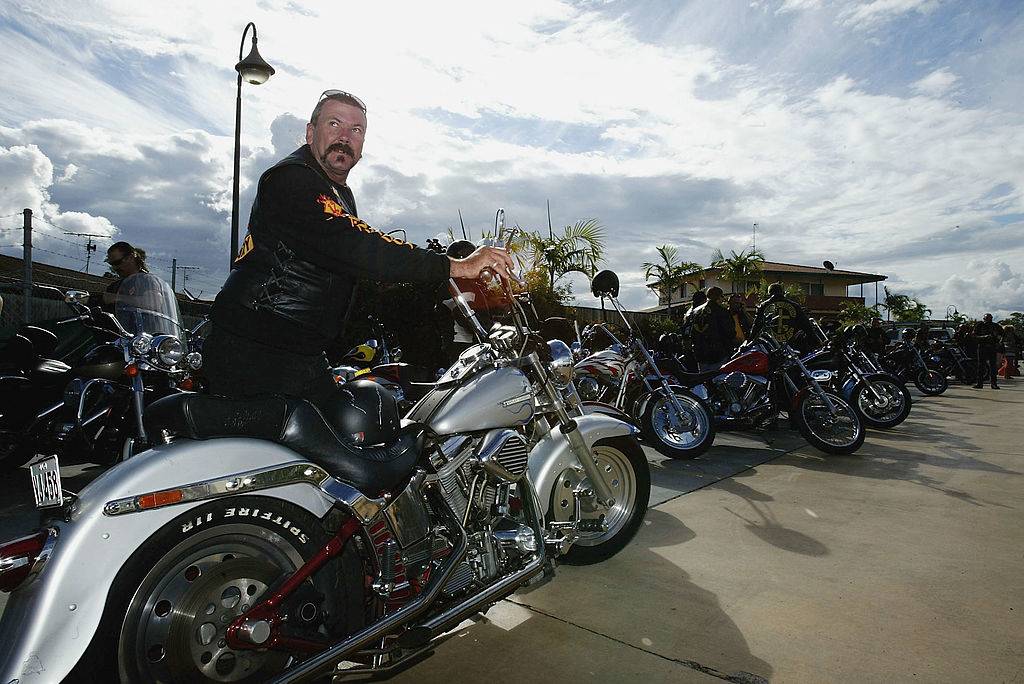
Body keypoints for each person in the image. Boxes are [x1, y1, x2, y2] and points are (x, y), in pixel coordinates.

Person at [204, 90, 513, 406]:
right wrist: (456, 265)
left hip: (298, 349)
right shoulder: (292, 179)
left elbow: (354, 261)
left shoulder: (337, 194)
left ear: (362, 147)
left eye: (356, 130)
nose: (344, 137)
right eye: (334, 124)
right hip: (256, 346)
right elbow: (358, 245)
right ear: (311, 133)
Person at [91, 241, 149, 311]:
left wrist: (116, 298)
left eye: (117, 262)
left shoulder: (147, 280)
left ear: (130, 257)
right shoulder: (113, 287)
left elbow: (153, 303)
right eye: (111, 264)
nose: (115, 267)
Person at [690, 287, 736, 371]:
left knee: (704, 380)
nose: (723, 299)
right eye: (722, 296)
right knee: (718, 379)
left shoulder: (696, 311)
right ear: (718, 297)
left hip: (701, 354)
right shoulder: (722, 311)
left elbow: (692, 333)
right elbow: (730, 332)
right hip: (719, 354)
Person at [972, 313, 1003, 389]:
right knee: (981, 366)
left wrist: (998, 340)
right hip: (982, 347)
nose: (988, 320)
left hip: (992, 347)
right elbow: (974, 336)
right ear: (984, 319)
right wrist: (984, 337)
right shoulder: (979, 325)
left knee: (993, 366)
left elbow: (1002, 334)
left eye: (990, 318)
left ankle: (993, 383)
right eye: (986, 318)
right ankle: (979, 383)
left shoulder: (996, 326)